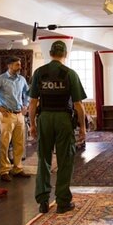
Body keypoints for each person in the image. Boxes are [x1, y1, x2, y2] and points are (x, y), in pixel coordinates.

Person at [28, 41, 87, 214]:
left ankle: (43, 201)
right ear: (65, 54)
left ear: (51, 52)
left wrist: (32, 124)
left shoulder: (39, 72)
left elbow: (32, 103)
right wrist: (83, 127)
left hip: (44, 118)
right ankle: (62, 202)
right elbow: (78, 105)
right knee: (65, 160)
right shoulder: (70, 74)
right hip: (63, 119)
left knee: (43, 159)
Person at [0, 56, 31, 182]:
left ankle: (18, 168)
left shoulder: (21, 79)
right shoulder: (1, 79)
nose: (20, 67)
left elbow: (28, 92)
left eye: (20, 64)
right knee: (4, 143)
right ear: (9, 66)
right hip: (6, 116)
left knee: (19, 143)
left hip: (19, 114)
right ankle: (4, 170)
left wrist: (25, 104)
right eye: (17, 65)